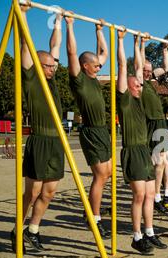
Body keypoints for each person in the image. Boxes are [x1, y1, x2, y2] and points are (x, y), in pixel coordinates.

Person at [11, 5, 64, 252]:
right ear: (37, 65)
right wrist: (22, 14)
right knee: (32, 192)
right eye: (48, 66)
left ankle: (33, 230)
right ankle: (16, 229)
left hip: (56, 142)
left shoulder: (52, 77)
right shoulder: (32, 78)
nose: (52, 69)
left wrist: (59, 21)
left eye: (54, 66)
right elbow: (25, 44)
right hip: (40, 140)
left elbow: (55, 46)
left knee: (49, 192)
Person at [116, 30, 167, 255]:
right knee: (138, 195)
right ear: (128, 87)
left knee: (148, 194)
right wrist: (121, 41)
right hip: (132, 152)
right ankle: (136, 235)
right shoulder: (125, 100)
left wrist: (140, 43)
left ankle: (149, 232)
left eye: (139, 84)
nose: (139, 86)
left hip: (144, 150)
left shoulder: (142, 100)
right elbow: (124, 67)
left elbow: (138, 70)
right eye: (135, 84)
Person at [65, 13, 111, 238]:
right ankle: (94, 217)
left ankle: (93, 210)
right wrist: (70, 25)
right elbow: (72, 53)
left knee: (109, 173)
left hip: (103, 130)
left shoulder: (93, 77)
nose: (99, 68)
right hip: (91, 131)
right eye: (95, 66)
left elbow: (105, 53)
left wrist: (99, 31)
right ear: (85, 66)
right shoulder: (79, 79)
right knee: (100, 175)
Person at [140, 36, 168, 216]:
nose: (148, 73)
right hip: (151, 123)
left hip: (161, 122)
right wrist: (142, 44)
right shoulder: (139, 81)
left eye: (149, 70)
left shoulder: (151, 79)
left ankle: (166, 192)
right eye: (145, 70)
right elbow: (139, 64)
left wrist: (165, 49)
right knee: (159, 161)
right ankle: (157, 196)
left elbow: (166, 68)